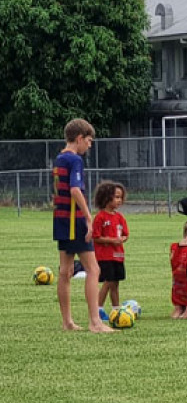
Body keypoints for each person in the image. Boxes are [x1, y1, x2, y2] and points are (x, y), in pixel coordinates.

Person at [52, 119, 115, 333]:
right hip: (74, 220)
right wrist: (89, 218)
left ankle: (67, 322)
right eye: (88, 141)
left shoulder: (59, 158)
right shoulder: (75, 160)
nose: (89, 145)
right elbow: (75, 190)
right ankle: (95, 322)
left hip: (60, 220)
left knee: (66, 271)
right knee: (93, 269)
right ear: (79, 138)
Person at [92, 181, 129, 318]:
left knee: (115, 283)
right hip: (105, 256)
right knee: (108, 281)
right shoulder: (100, 217)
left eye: (121, 197)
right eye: (116, 197)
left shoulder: (119, 217)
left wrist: (122, 239)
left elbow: (125, 234)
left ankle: (116, 309)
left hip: (118, 255)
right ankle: (98, 308)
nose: (119, 200)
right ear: (106, 198)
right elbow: (96, 237)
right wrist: (111, 240)